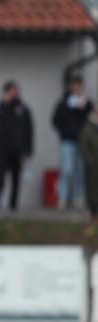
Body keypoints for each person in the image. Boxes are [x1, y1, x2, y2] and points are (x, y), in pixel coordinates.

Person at [52, 75, 92, 209]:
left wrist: (84, 107)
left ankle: (78, 197)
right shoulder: (63, 103)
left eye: (79, 85)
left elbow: (91, 119)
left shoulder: (87, 103)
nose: (77, 88)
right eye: (75, 85)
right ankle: (62, 197)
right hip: (67, 141)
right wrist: (65, 131)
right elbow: (55, 120)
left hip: (82, 142)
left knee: (81, 170)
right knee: (66, 169)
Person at [0, 81, 32, 210]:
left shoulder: (23, 109)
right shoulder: (1, 107)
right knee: (0, 177)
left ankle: (13, 205)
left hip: (17, 150)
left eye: (14, 91)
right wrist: (4, 104)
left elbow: (29, 130)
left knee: (16, 179)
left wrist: (28, 149)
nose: (13, 94)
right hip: (3, 150)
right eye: (10, 91)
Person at [78, 106, 98, 222]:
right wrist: (90, 160)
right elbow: (84, 147)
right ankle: (93, 213)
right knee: (92, 189)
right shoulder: (88, 129)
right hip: (93, 166)